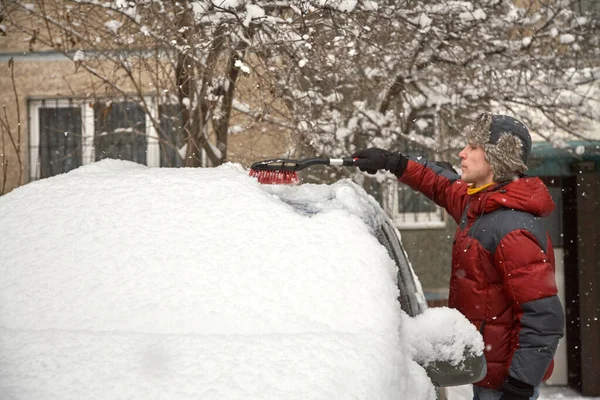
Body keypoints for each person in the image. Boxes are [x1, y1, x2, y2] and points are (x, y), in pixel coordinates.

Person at [353, 113, 564, 400]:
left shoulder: (512, 228)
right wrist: (394, 163)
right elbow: (441, 184)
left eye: (473, 147)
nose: (461, 153)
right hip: (484, 373)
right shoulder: (481, 204)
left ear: (495, 158)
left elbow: (543, 318)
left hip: (504, 386)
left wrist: (520, 385)